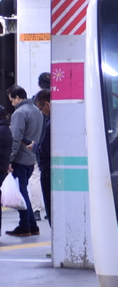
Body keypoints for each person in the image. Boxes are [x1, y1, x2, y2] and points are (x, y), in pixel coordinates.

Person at [7, 85, 42, 237]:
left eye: (11, 101)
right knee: (24, 191)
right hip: (31, 158)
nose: (11, 104)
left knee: (21, 194)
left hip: (20, 158)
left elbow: (15, 138)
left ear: (17, 98)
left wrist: (9, 159)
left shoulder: (19, 113)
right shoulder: (36, 110)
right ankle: (33, 226)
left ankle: (25, 225)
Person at [34, 90, 50, 226]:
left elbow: (44, 149)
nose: (42, 112)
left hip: (47, 169)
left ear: (47, 105)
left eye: (41, 109)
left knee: (51, 208)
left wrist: (34, 147)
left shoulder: (50, 124)